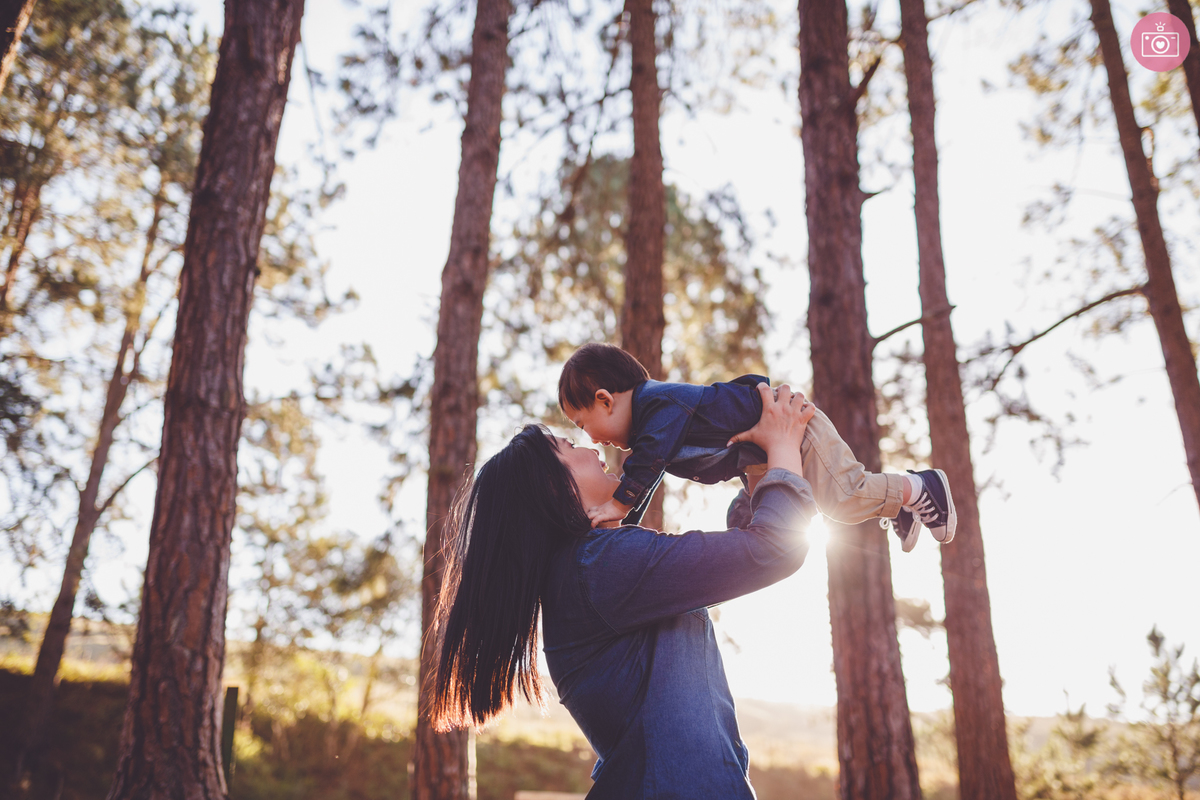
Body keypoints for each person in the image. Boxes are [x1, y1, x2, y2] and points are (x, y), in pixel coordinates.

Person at [432, 383, 818, 798]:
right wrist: (781, 444)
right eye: (569, 445)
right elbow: (774, 548)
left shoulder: (589, 572)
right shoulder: (597, 566)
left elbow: (741, 555)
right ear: (553, 487)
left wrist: (761, 466)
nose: (593, 450)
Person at [557, 342, 956, 552]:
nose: (590, 438)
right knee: (746, 527)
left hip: (795, 430)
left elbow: (645, 467)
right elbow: (646, 472)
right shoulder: (651, 430)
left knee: (842, 499)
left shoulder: (657, 404)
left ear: (606, 399)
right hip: (759, 461)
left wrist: (619, 504)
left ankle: (919, 488)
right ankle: (899, 503)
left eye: (582, 423)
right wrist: (624, 521)